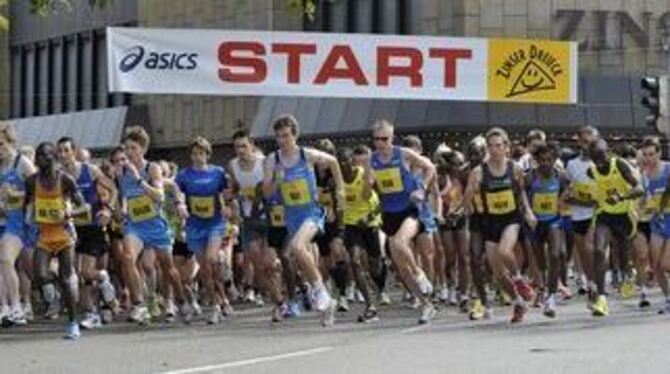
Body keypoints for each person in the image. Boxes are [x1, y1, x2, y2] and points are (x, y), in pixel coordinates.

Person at [262, 115, 343, 326]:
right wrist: (277, 180)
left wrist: (341, 190)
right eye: (279, 136)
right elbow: (267, 193)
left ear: (295, 135)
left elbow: (333, 161)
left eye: (286, 136)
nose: (282, 140)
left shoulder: (306, 154)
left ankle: (320, 292)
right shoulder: (273, 160)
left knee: (297, 248)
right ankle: (326, 298)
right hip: (291, 216)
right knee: (299, 258)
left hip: (312, 212)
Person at [116, 126, 191, 324]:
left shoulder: (152, 168)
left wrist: (139, 179)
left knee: (169, 269)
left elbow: (158, 195)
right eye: (126, 149)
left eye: (133, 148)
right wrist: (119, 210)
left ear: (143, 149)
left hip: (156, 226)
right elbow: (124, 195)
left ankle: (181, 301)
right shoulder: (121, 172)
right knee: (128, 257)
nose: (128, 153)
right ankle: (139, 304)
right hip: (135, 226)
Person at [461, 127, 536, 323]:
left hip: (511, 219)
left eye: (498, 146)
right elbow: (467, 199)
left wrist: (528, 212)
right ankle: (518, 301)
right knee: (498, 275)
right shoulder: (478, 172)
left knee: (505, 251)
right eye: (491, 146)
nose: (494, 150)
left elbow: (520, 195)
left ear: (506, 147)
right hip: (490, 222)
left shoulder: (515, 169)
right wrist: (469, 197)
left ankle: (519, 280)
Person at [369, 120, 436, 324]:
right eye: (377, 139)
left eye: (385, 139)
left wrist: (422, 188)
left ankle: (420, 274)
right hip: (388, 214)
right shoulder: (371, 160)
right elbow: (369, 189)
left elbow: (430, 167)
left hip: (410, 210)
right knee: (401, 267)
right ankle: (426, 304)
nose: (381, 143)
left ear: (392, 137)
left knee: (400, 243)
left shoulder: (403, 154)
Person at [25, 142, 90, 339]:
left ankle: (72, 323)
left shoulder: (65, 180)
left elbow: (84, 207)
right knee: (39, 275)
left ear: (53, 157)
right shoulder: (31, 181)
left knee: (66, 276)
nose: (39, 160)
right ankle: (62, 285)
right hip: (44, 235)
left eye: (44, 156)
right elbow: (27, 203)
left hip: (64, 235)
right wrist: (30, 214)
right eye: (37, 156)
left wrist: (70, 212)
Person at [56, 137, 117, 329]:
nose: (63, 154)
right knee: (76, 274)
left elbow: (112, 188)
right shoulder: (59, 176)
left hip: (92, 227)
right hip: (72, 229)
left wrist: (109, 209)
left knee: (86, 272)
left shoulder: (89, 170)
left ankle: (104, 278)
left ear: (74, 151)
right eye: (60, 151)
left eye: (66, 150)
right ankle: (91, 313)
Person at [175, 136, 231, 325]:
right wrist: (180, 205)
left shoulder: (218, 173)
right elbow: (179, 193)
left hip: (214, 224)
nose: (197, 157)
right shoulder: (184, 175)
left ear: (207, 154)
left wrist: (228, 206)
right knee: (206, 270)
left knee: (210, 260)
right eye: (194, 154)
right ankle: (218, 301)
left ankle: (216, 305)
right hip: (194, 226)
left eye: (201, 153)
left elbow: (227, 194)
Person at [587, 138, 644, 316]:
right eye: (596, 157)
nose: (600, 160)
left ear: (608, 152)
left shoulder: (619, 165)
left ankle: (629, 272)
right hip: (605, 216)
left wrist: (621, 197)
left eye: (602, 155)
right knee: (598, 250)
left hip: (624, 216)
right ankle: (602, 299)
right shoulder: (592, 172)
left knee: (623, 255)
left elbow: (639, 188)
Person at [338, 147, 383, 322]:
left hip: (370, 223)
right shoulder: (339, 180)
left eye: (346, 161)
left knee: (376, 268)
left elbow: (381, 201)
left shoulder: (365, 175)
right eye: (340, 162)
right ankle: (370, 305)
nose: (343, 166)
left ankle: (377, 281)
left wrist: (370, 217)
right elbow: (340, 203)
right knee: (355, 262)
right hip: (352, 225)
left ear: (353, 162)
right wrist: (341, 225)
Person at [0, 122, 36, 326]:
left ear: (11, 142)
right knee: (1, 264)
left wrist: (18, 195)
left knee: (6, 258)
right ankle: (4, 307)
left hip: (18, 221)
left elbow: (39, 191)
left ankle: (17, 307)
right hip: (1, 217)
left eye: (1, 144)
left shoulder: (22, 163)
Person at [526, 143, 567, 318]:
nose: (545, 163)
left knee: (556, 254)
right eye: (541, 160)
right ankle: (542, 287)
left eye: (549, 160)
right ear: (536, 161)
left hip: (553, 221)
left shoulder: (561, 176)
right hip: (535, 223)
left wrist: (562, 203)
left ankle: (551, 297)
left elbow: (565, 193)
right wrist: (528, 213)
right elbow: (521, 196)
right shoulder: (530, 178)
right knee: (540, 260)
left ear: (555, 160)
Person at [564, 126, 599, 298]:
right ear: (579, 142)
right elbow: (566, 193)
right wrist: (577, 200)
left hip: (598, 215)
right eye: (584, 142)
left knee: (593, 248)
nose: (587, 146)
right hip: (578, 215)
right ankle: (591, 282)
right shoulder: (571, 165)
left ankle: (599, 286)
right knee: (584, 253)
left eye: (591, 142)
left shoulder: (601, 164)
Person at [638, 136, 670, 313]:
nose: (649, 158)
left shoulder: (668, 168)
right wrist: (640, 208)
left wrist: (661, 206)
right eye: (646, 154)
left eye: (652, 154)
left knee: (666, 264)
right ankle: (668, 298)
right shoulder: (644, 176)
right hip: (656, 223)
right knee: (656, 265)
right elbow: (643, 199)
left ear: (659, 153)